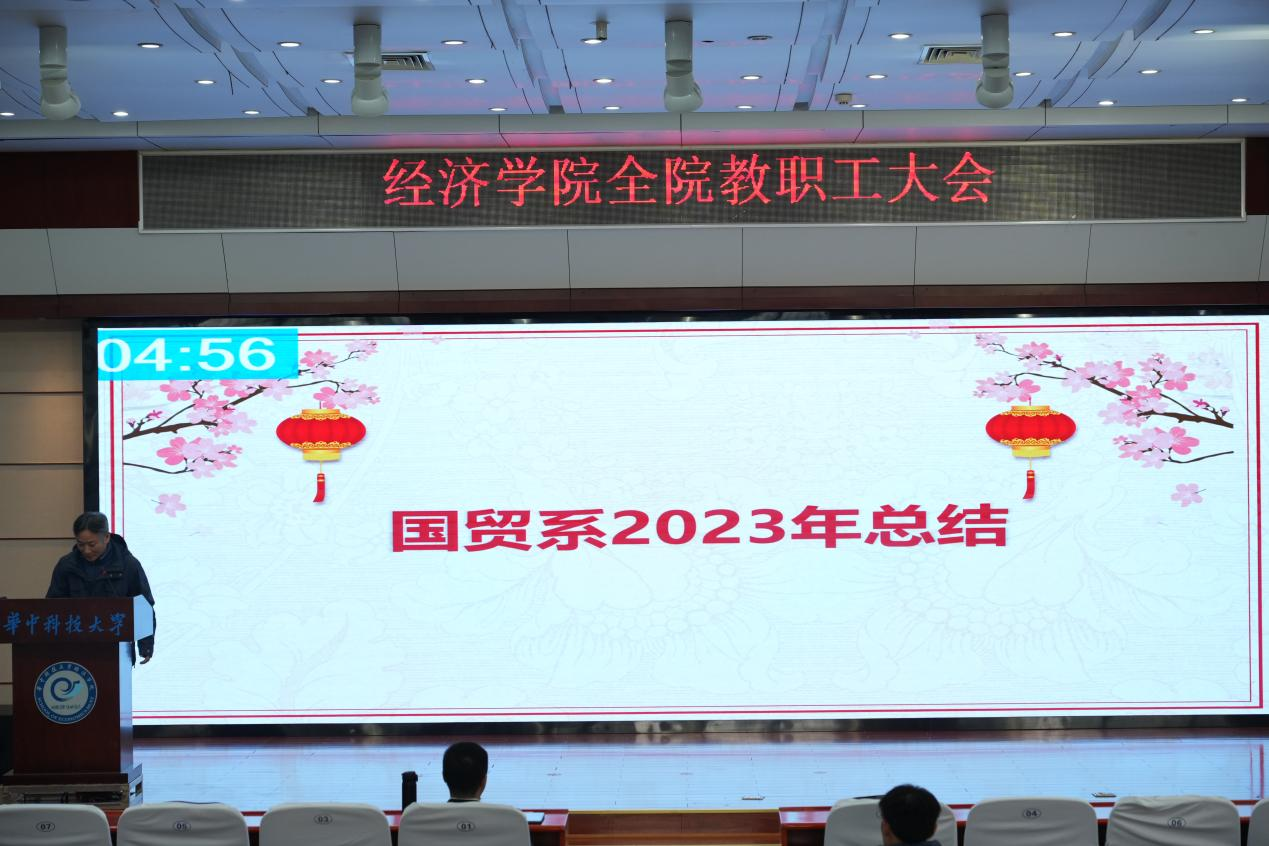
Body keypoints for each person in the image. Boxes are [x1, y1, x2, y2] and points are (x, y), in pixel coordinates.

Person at [47, 511, 156, 663]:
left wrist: (146, 646)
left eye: (92, 544)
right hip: (74, 647)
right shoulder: (66, 566)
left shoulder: (128, 565)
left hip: (116, 649)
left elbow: (144, 607)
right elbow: (52, 607)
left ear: (106, 537)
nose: (86, 550)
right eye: (80, 544)